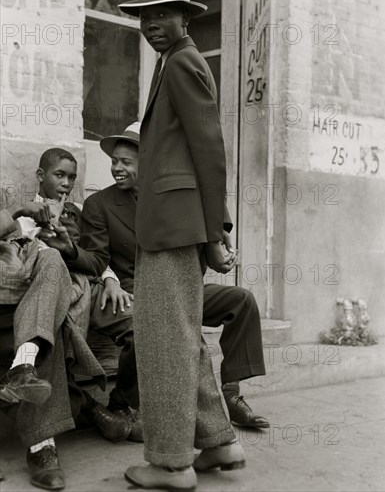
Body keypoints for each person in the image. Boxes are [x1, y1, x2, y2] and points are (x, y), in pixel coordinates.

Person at [117, 0, 245, 490]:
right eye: (146, 16)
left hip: (175, 226)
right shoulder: (172, 62)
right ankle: (218, 443)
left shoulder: (183, 63)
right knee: (180, 335)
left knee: (162, 341)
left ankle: (171, 462)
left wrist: (217, 231)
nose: (152, 24)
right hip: (170, 223)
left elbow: (209, 151)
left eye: (163, 14)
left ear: (186, 18)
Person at [67, 123, 268, 433]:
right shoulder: (100, 205)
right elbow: (96, 258)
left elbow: (206, 191)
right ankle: (125, 403)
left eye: (125, 162)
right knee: (150, 325)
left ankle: (232, 394)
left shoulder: (169, 197)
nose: (116, 168)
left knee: (241, 301)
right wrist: (94, 268)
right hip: (132, 292)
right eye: (114, 161)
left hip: (180, 288)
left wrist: (220, 234)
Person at [34, 148, 136, 441]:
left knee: (140, 324)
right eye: (60, 175)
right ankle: (89, 408)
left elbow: (97, 255)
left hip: (92, 288)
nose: (66, 183)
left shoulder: (79, 211)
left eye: (72, 178)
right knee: (52, 332)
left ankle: (123, 403)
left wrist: (111, 280)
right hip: (53, 292)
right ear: (41, 176)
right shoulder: (25, 211)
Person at [0, 201, 74, 491]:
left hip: (15, 282)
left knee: (53, 258)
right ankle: (41, 445)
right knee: (46, 320)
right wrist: (18, 210)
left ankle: (23, 363)